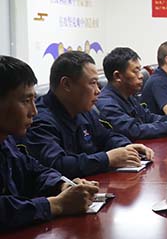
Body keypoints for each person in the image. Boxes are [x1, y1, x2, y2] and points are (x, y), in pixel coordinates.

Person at [19, 51, 154, 179]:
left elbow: (107, 136)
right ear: (67, 84)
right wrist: (107, 159)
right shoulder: (40, 119)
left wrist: (125, 146)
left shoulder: (82, 108)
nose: (98, 91)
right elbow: (57, 164)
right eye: (92, 83)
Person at [0, 56, 99, 230]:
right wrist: (56, 204)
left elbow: (34, 170)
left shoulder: (6, 141)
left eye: (33, 100)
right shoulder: (43, 120)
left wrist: (63, 185)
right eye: (25, 101)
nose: (34, 111)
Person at [97, 47, 167, 139]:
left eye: (140, 70)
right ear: (117, 76)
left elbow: (148, 117)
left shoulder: (128, 95)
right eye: (135, 71)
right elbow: (134, 130)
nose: (141, 75)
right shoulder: (107, 104)